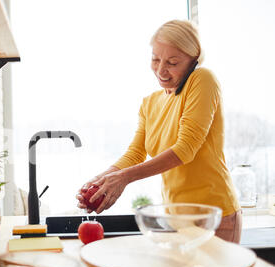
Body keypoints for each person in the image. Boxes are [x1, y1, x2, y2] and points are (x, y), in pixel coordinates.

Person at [76, 20, 242, 243]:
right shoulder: (150, 103)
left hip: (214, 217)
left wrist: (123, 178)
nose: (161, 69)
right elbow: (135, 153)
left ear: (194, 60)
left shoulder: (203, 80)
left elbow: (186, 149)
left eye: (172, 62)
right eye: (155, 59)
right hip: (175, 219)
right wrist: (102, 181)